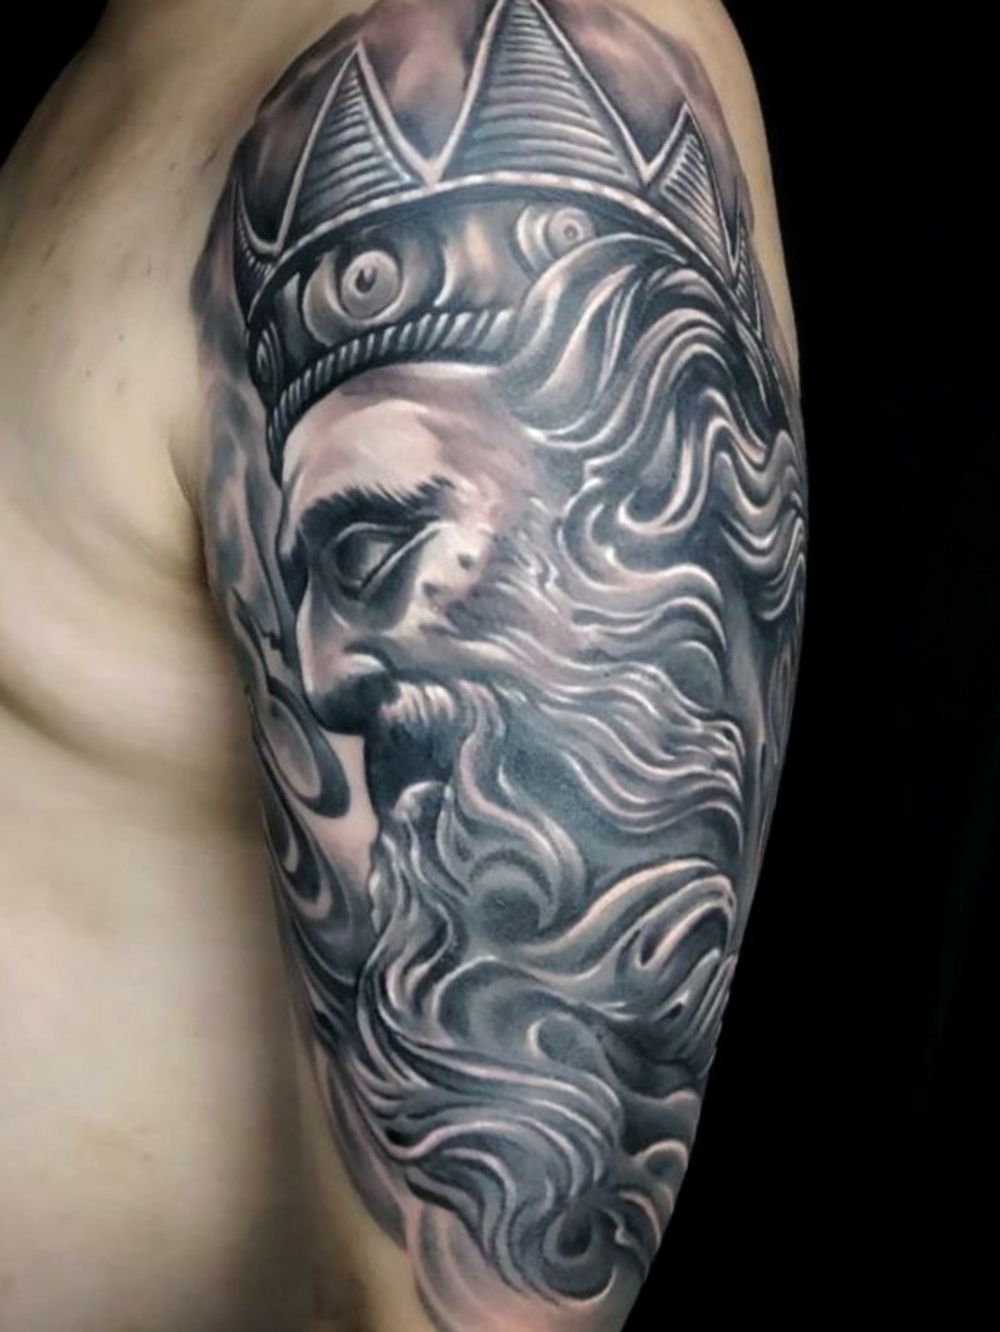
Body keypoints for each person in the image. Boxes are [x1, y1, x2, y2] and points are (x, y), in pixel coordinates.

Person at [0, 2, 805, 1329]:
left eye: (374, 549)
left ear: (620, 518)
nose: (326, 670)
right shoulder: (162, 36)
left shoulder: (477, 111)